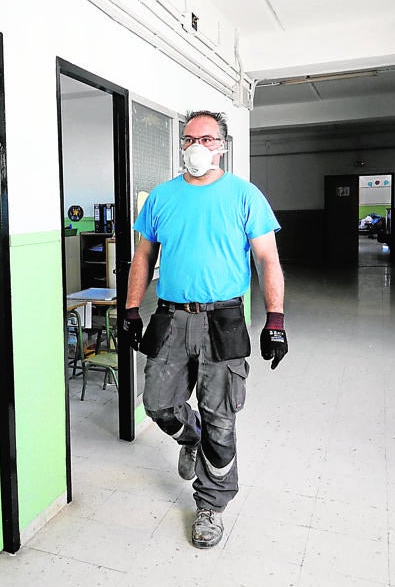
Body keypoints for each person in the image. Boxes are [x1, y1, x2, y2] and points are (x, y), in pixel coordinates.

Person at [121, 109, 287, 549]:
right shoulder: (161, 197)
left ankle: (211, 505)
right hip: (171, 317)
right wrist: (132, 309)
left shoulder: (244, 195)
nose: (197, 146)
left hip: (224, 318)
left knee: (222, 417)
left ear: (222, 146)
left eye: (207, 139)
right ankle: (188, 437)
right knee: (157, 402)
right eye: (190, 138)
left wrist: (275, 320)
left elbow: (268, 260)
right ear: (182, 145)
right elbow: (142, 257)